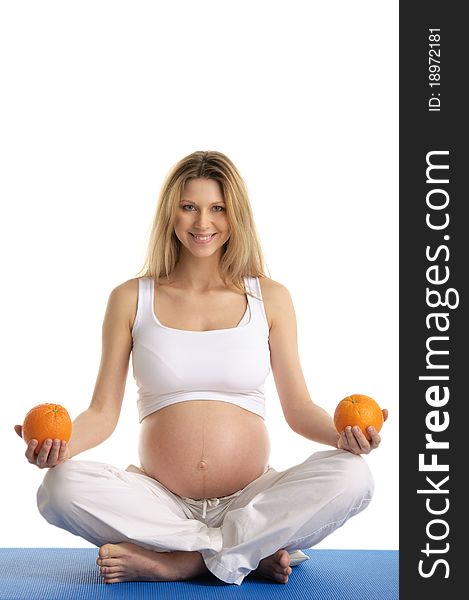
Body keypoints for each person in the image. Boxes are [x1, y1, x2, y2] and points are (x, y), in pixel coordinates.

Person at [15, 150, 388, 586]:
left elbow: (299, 407)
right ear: (170, 213)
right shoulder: (130, 298)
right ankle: (245, 552)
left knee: (353, 477)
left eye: (217, 208)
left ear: (236, 216)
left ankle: (185, 561)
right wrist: (58, 446)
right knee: (59, 489)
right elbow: (101, 412)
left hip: (252, 497)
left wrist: (349, 438)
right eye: (189, 207)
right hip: (159, 500)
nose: (202, 223)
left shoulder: (271, 297)